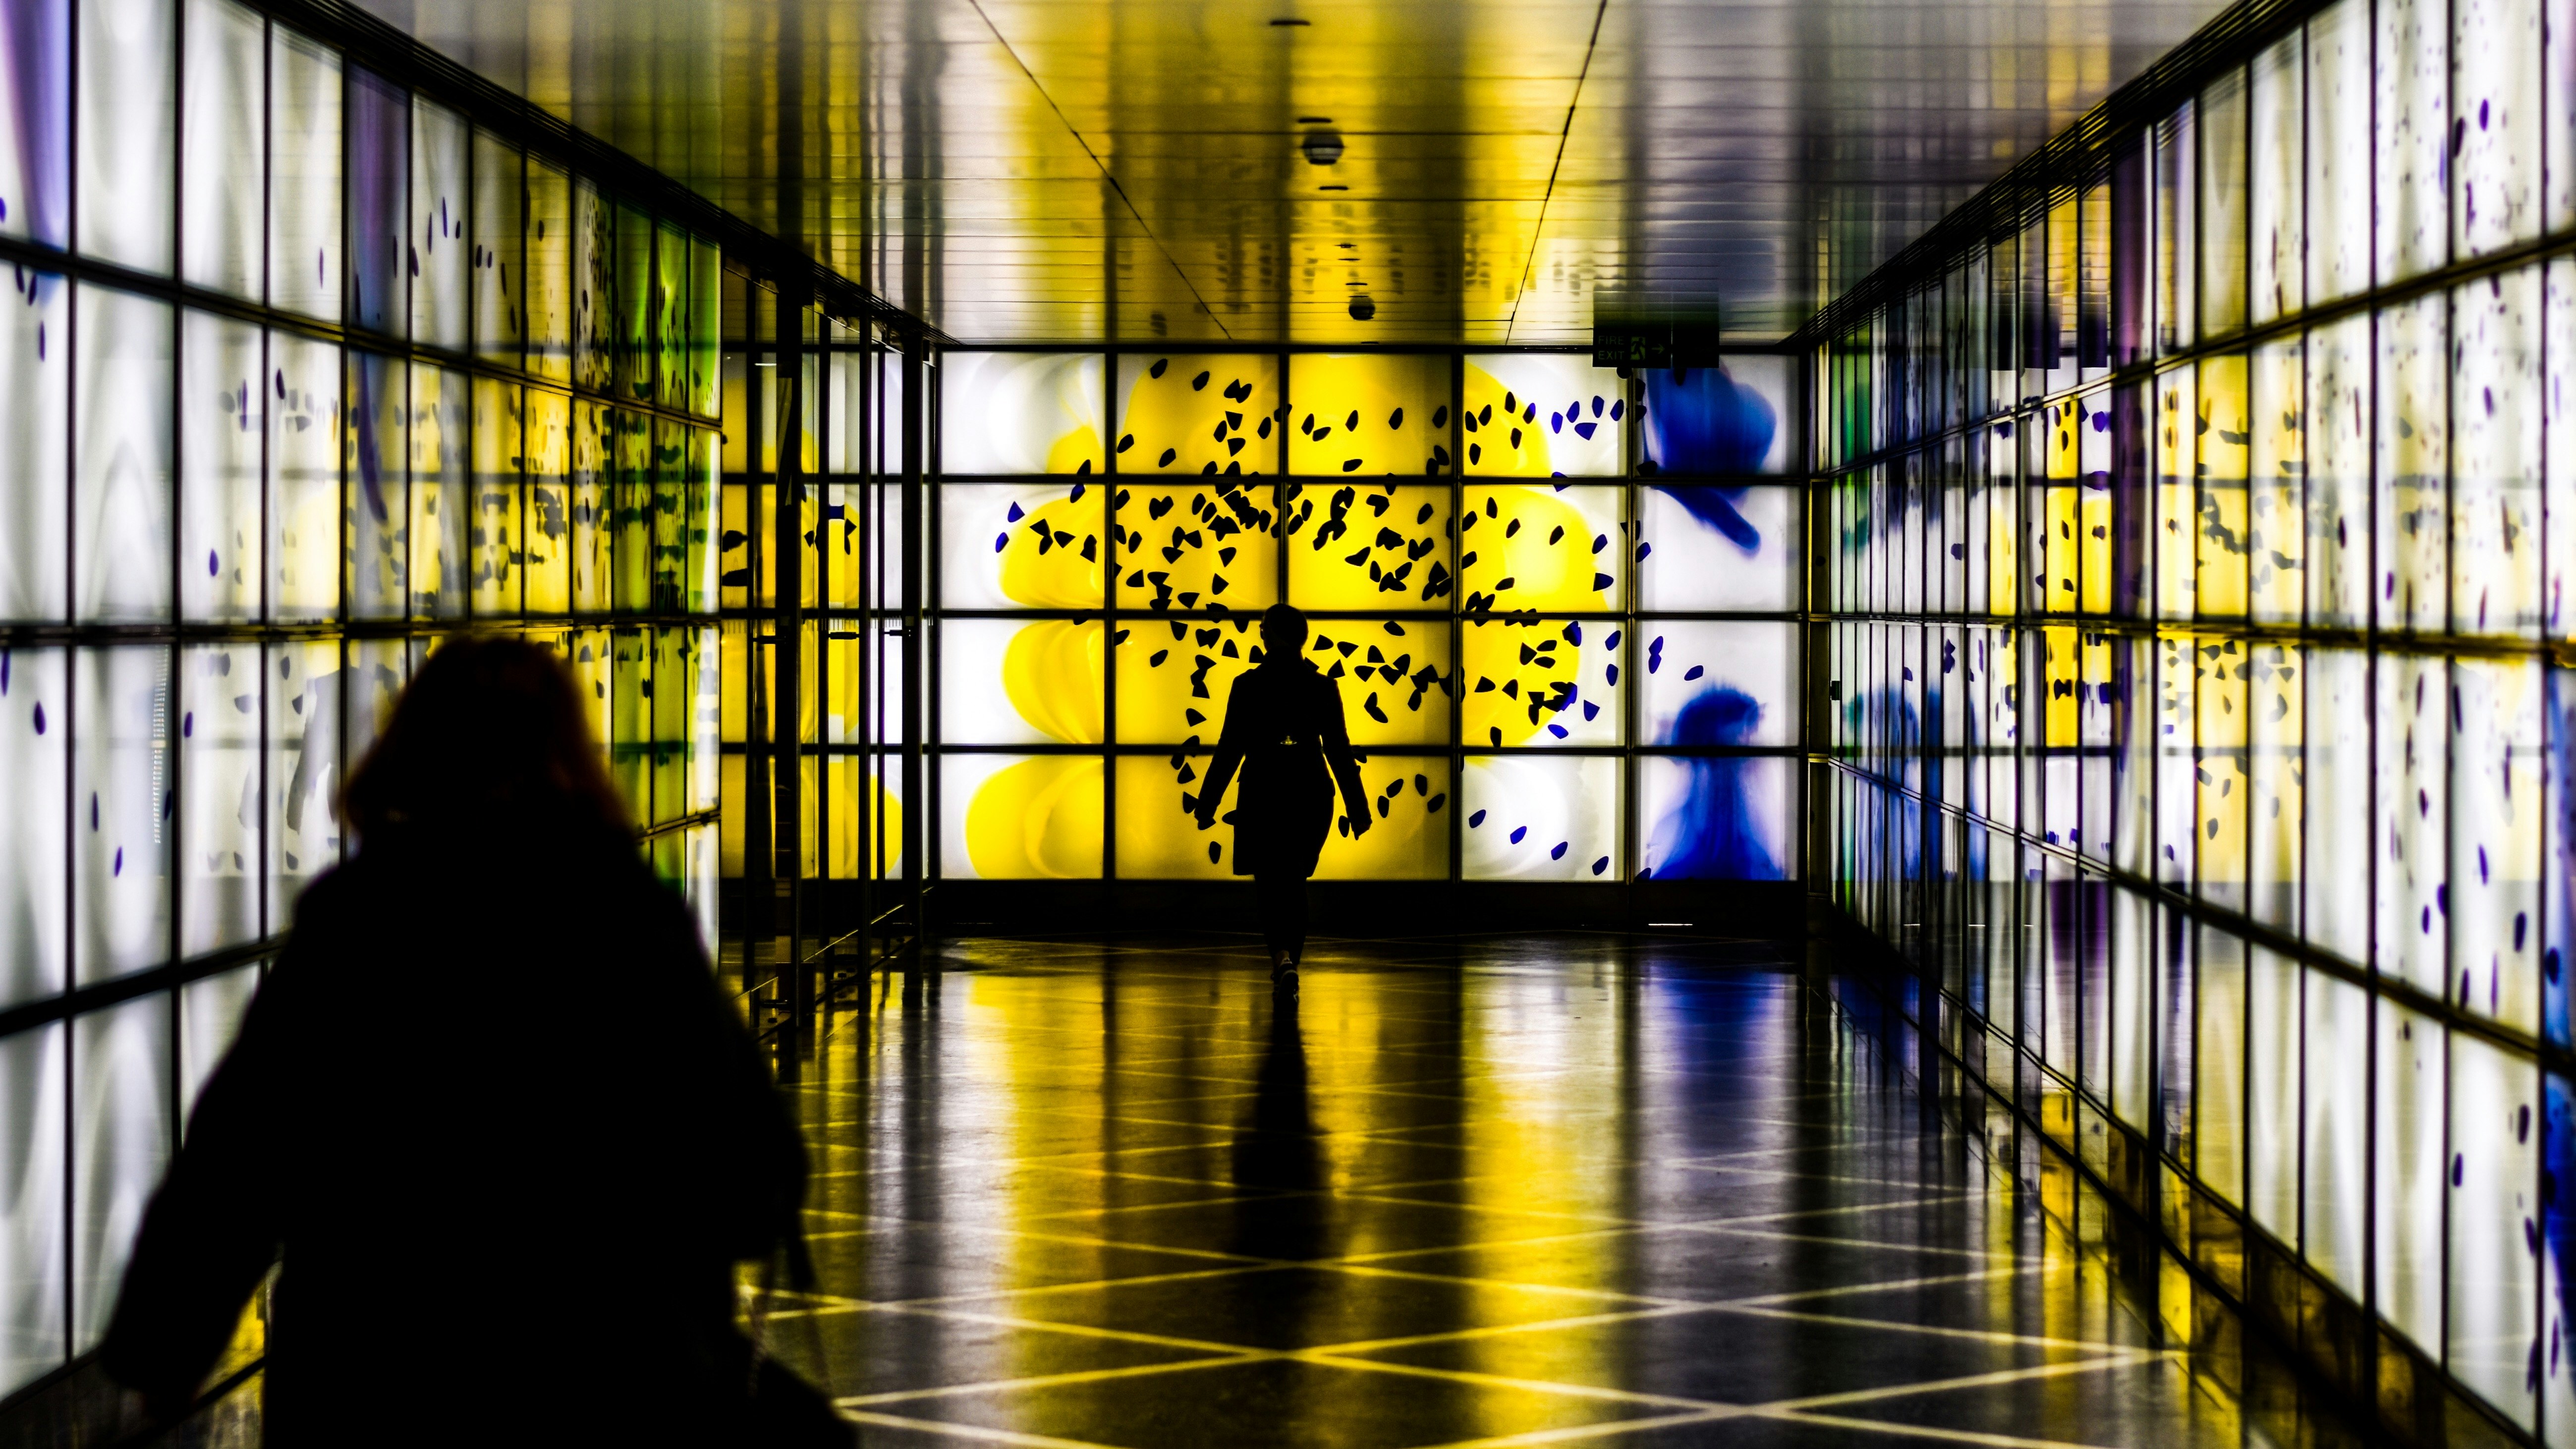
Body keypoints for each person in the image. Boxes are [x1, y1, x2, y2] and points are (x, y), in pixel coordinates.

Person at [99, 636, 841, 1447]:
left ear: (411, 750)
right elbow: (748, 1169)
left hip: (374, 1375)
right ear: (570, 753)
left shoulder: (356, 921)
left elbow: (239, 1158)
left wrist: (160, 1354)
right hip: (604, 1375)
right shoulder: (632, 922)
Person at [1195, 604, 1371, 992]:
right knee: (1295, 881)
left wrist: (1208, 802)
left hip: (1263, 790)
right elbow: (1339, 751)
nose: (1259, 633)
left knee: (1269, 883)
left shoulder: (1248, 686)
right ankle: (1291, 959)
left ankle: (1281, 958)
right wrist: (1358, 809)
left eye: (1262, 628)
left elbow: (1230, 748)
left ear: (1273, 635)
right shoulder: (1322, 687)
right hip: (1310, 790)